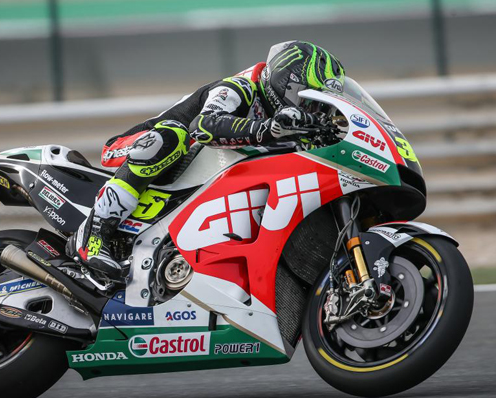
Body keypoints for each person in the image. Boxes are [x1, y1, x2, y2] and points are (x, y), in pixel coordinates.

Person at [67, 40, 346, 279]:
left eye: (318, 104)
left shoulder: (290, 122)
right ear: (284, 81)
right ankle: (93, 233)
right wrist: (267, 129)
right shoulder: (240, 87)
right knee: (172, 136)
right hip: (133, 146)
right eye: (305, 99)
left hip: (190, 175)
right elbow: (203, 126)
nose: (309, 109)